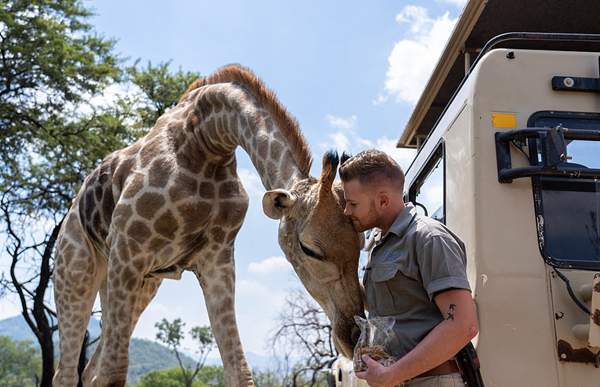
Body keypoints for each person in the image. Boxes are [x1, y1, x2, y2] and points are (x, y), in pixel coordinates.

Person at [339, 149, 479, 387]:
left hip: (432, 380)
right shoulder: (382, 245)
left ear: (383, 200)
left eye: (353, 204)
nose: (346, 211)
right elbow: (393, 309)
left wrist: (392, 374)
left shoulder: (429, 238)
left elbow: (463, 325)